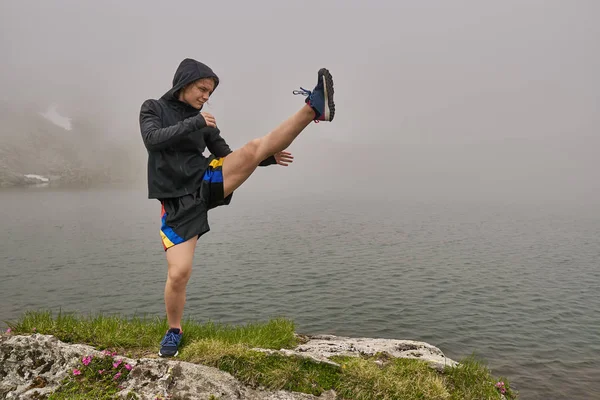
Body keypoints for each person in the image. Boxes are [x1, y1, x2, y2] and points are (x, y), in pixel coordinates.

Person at [139, 58, 335, 357]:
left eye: (210, 93)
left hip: (205, 180)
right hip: (176, 203)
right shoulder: (153, 108)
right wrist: (196, 121)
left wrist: (265, 157)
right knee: (179, 273)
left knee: (256, 146)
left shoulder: (204, 121)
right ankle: (174, 330)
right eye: (202, 89)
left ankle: (313, 107)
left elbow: (227, 155)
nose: (206, 97)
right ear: (184, 83)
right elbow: (153, 141)